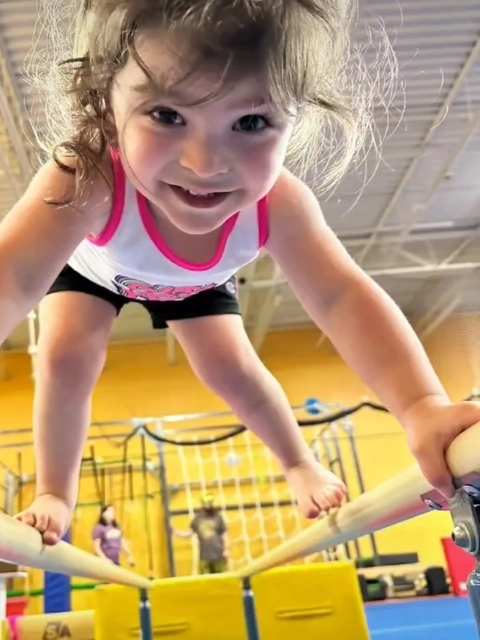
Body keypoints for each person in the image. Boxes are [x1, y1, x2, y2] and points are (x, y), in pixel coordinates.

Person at [3, 0, 480, 546]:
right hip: (92, 269)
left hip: (196, 284)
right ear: (108, 105)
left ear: (295, 120)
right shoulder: (85, 178)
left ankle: (298, 462)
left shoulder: (280, 205)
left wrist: (421, 405)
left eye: (251, 122)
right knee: (65, 359)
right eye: (167, 115)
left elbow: (342, 297)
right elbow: (12, 278)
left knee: (233, 371)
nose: (206, 164)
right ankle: (56, 492)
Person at [173, 494, 230, 575]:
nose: (207, 505)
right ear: (202, 504)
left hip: (219, 555)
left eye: (209, 503)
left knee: (222, 580)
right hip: (204, 557)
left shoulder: (218, 517)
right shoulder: (197, 519)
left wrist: (226, 550)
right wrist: (176, 532)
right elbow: (189, 533)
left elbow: (225, 535)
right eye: (205, 503)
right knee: (205, 581)